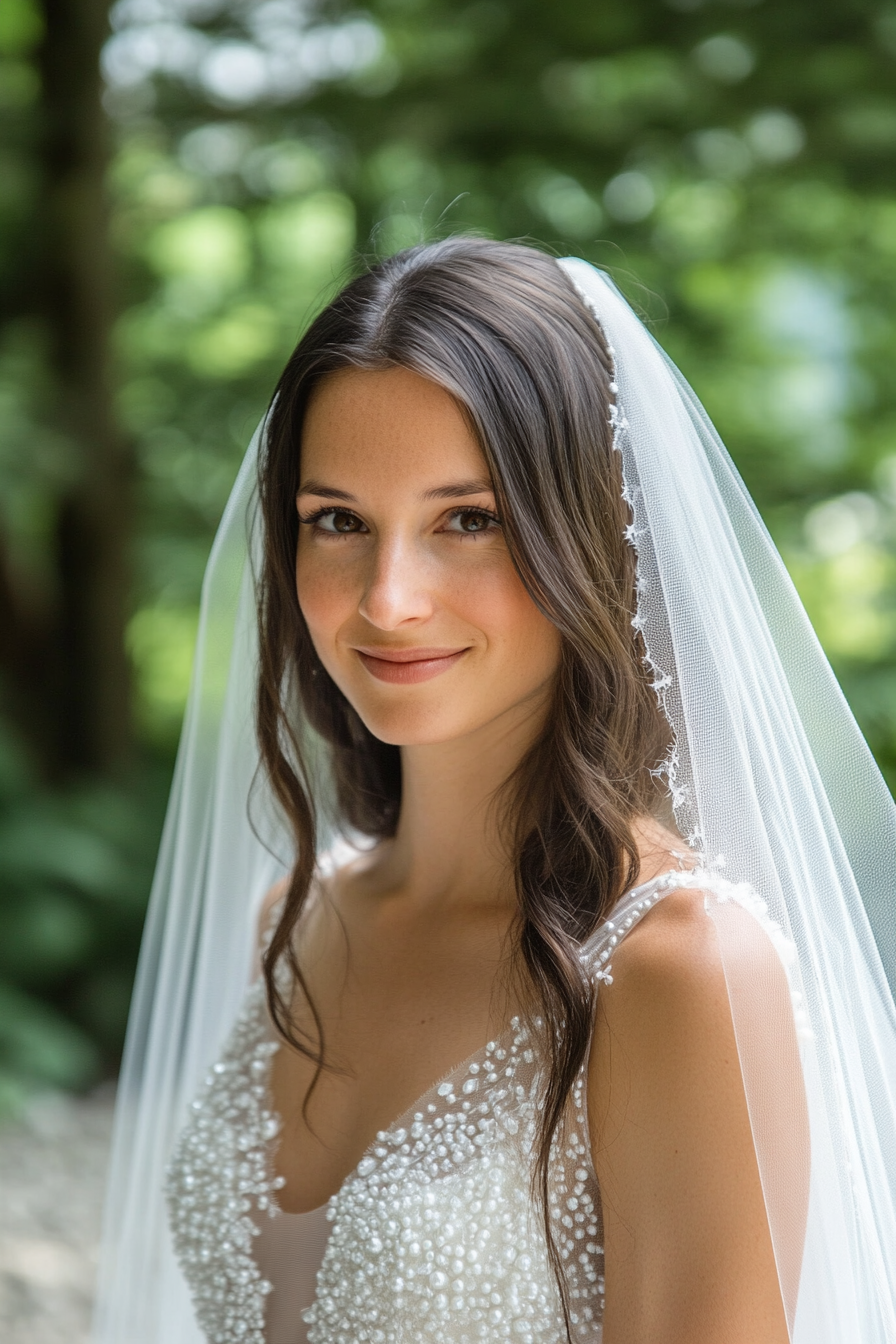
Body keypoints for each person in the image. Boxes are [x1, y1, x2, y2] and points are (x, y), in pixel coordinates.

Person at [92, 238, 896, 1344]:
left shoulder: (673, 969)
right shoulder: (288, 920)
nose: (389, 599)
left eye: (466, 520)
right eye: (338, 520)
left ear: (590, 537)